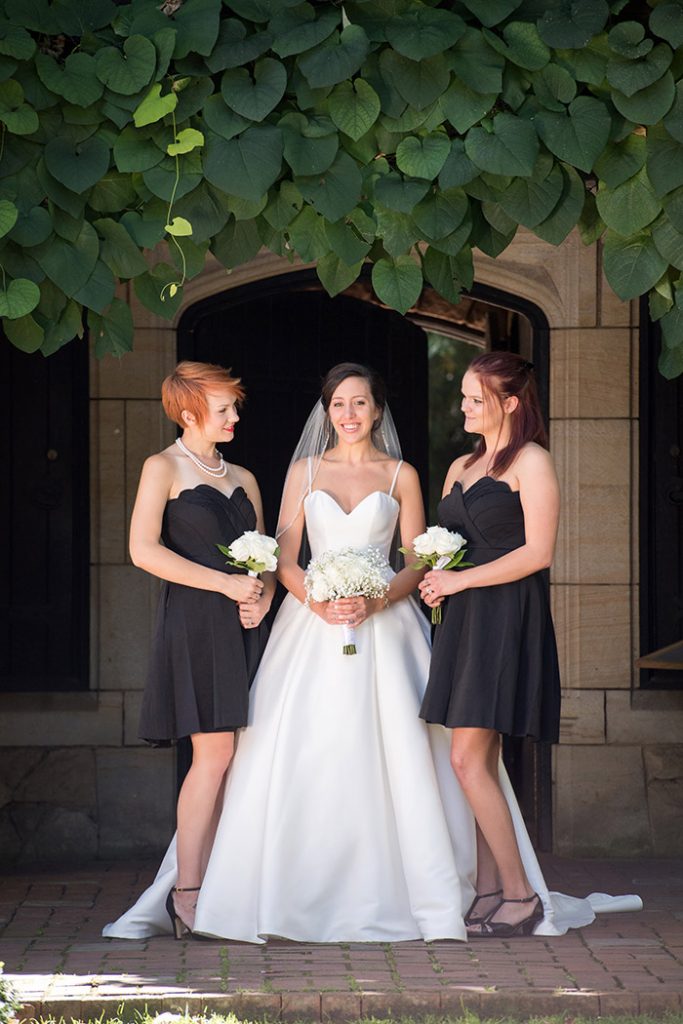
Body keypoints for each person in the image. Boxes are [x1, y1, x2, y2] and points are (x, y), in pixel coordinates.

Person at [104, 361, 639, 943]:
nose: (350, 414)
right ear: (326, 411)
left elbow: (416, 558)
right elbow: (280, 555)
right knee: (291, 749)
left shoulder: (402, 474)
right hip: (309, 627)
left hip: (390, 628)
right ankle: (252, 888)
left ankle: (465, 888)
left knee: (429, 752)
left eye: (361, 403)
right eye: (339, 404)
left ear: (378, 409)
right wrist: (316, 600)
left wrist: (377, 597)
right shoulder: (300, 472)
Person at [126, 360, 274, 939]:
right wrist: (223, 584)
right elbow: (142, 550)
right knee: (211, 756)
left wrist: (257, 599)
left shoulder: (244, 476)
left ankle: (223, 883)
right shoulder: (162, 467)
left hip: (246, 621)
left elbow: (261, 554)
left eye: (235, 406)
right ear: (188, 413)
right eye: (223, 408)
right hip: (194, 621)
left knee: (244, 759)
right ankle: (188, 894)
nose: (235, 416)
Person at [418, 351, 563, 936]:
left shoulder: (533, 462)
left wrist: (460, 578)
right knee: (477, 759)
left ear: (511, 404)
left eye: (477, 398)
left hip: (506, 613)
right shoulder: (459, 467)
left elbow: (538, 553)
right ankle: (487, 891)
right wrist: (435, 577)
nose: (465, 407)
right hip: (462, 617)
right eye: (463, 397)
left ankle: (520, 894)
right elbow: (449, 543)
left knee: (465, 758)